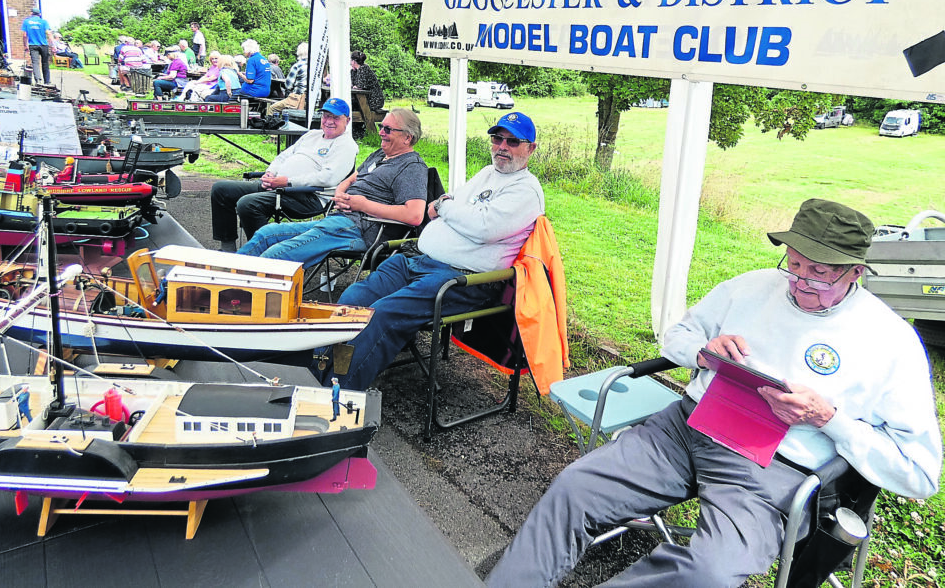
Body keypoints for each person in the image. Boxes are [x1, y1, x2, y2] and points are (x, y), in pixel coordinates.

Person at [487, 198, 943, 588]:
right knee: (576, 488)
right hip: (688, 429)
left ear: (856, 273)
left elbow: (920, 475)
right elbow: (677, 337)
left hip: (773, 472)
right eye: (795, 264)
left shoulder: (890, 342)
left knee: (709, 571)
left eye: (819, 274)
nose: (800, 282)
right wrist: (703, 354)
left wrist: (829, 419)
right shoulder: (752, 287)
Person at [324, 112, 544, 390]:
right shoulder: (488, 173)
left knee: (383, 313)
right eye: (497, 138)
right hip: (420, 259)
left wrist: (446, 209)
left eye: (513, 141)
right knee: (353, 298)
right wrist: (450, 207)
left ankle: (338, 391)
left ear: (530, 149)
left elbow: (481, 227)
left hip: (460, 279)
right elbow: (450, 201)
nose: (502, 146)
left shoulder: (526, 191)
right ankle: (330, 368)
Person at [238, 108, 427, 267]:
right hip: (339, 219)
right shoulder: (380, 154)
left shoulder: (412, 167)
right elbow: (354, 177)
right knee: (266, 234)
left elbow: (415, 215)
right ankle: (224, 276)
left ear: (407, 138)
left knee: (278, 255)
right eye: (381, 127)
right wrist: (339, 193)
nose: (380, 132)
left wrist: (362, 205)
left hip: (361, 228)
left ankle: (239, 292)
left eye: (387, 129)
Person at [211, 97, 358, 252]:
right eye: (326, 116)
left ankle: (263, 255)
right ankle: (228, 249)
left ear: (347, 120)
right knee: (221, 189)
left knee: (248, 204)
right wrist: (270, 173)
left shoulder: (346, 145)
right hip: (279, 186)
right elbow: (284, 156)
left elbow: (327, 178)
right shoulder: (312, 135)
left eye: (336, 117)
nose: (329, 121)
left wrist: (287, 182)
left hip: (309, 196)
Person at [267, 42, 308, 115]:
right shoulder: (315, 67)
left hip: (297, 98)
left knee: (272, 108)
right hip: (312, 101)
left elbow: (288, 85)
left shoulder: (297, 66)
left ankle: (272, 124)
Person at [21, 7, 52, 84]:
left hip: (32, 45)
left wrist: (25, 45)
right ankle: (47, 81)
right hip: (44, 45)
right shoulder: (44, 22)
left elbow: (24, 35)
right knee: (45, 63)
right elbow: (49, 33)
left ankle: (38, 80)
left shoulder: (26, 22)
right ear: (39, 14)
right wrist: (52, 45)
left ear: (31, 13)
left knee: (35, 63)